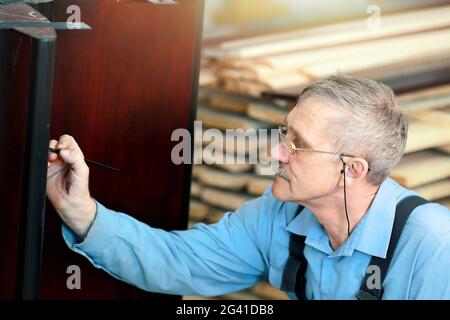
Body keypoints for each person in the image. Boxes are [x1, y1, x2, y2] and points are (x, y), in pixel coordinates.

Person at [46, 74, 450, 299]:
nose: (276, 152)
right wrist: (78, 209)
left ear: (352, 170)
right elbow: (180, 262)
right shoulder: (279, 218)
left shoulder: (431, 246)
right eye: (283, 134)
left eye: (298, 144)